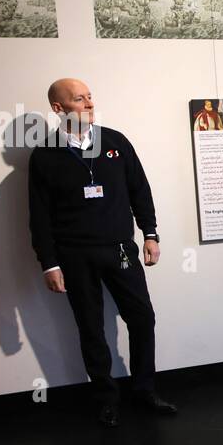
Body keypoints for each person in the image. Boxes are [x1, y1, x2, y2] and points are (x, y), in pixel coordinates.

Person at [28, 78, 177, 426]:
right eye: (80, 99)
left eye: (90, 97)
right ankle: (106, 399)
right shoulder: (45, 155)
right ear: (58, 109)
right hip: (75, 256)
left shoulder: (115, 142)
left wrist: (151, 234)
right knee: (91, 328)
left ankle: (145, 389)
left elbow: (140, 189)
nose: (89, 103)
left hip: (120, 249)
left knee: (142, 318)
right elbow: (39, 216)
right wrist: (49, 264)